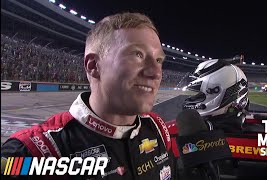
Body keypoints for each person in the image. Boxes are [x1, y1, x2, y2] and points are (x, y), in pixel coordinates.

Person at [1, 12, 176, 180]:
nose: (156, 73)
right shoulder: (34, 152)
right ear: (93, 66)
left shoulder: (157, 129)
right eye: (138, 54)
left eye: (159, 60)